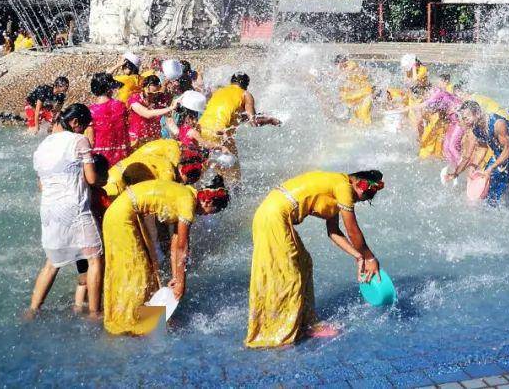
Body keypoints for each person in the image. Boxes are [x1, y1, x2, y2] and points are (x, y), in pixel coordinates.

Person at [245, 171, 384, 348]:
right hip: (273, 217)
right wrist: (370, 258)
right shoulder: (344, 187)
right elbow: (352, 229)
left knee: (303, 263)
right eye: (368, 192)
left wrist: (358, 257)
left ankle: (306, 323)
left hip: (272, 215)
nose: (364, 198)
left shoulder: (336, 186)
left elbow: (333, 231)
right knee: (289, 276)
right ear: (357, 182)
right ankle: (278, 335)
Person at [102, 176, 229, 335]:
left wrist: (177, 277)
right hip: (120, 218)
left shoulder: (188, 194)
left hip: (124, 214)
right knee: (136, 272)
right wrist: (181, 284)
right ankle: (129, 323)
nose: (207, 215)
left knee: (147, 269)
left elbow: (176, 244)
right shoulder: (187, 203)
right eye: (212, 212)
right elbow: (183, 247)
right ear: (208, 202)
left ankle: (145, 318)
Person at [28, 104, 103, 318]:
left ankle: (32, 310)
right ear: (75, 123)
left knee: (52, 263)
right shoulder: (79, 141)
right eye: (84, 126)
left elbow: (41, 186)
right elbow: (91, 179)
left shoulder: (42, 146)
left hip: (50, 210)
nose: (85, 130)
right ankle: (94, 313)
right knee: (94, 258)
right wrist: (102, 181)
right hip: (75, 207)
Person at [450, 101, 509, 219]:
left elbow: (508, 149)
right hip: (499, 153)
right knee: (490, 188)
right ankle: (490, 217)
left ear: (476, 113)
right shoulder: (476, 128)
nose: (464, 121)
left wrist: (491, 168)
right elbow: (482, 147)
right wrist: (472, 167)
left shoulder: (498, 124)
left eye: (466, 118)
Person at [199, 73, 279, 185]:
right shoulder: (246, 95)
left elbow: (231, 116)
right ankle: (233, 195)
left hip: (200, 130)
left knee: (201, 167)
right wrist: (270, 120)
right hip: (221, 135)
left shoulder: (218, 91)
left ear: (231, 82)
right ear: (246, 85)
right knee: (234, 176)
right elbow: (254, 122)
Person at [103, 138, 205, 198]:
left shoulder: (168, 159)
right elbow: (162, 203)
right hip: (116, 186)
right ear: (184, 173)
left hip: (114, 173)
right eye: (187, 182)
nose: (183, 184)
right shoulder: (173, 159)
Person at [87, 72, 131, 167]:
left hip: (101, 157)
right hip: (122, 154)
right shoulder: (121, 106)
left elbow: (91, 141)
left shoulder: (91, 111)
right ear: (109, 90)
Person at [127, 75, 177, 148]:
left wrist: (177, 134)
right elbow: (147, 114)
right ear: (143, 88)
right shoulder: (135, 98)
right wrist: (170, 108)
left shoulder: (160, 98)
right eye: (150, 93)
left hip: (154, 138)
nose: (153, 96)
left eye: (156, 93)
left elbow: (169, 120)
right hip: (137, 139)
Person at [335, 56, 374, 125]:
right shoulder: (343, 74)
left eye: (339, 65)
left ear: (343, 62)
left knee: (363, 116)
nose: (338, 67)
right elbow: (343, 90)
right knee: (355, 120)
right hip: (356, 98)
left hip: (365, 95)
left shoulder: (351, 64)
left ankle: (366, 132)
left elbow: (345, 73)